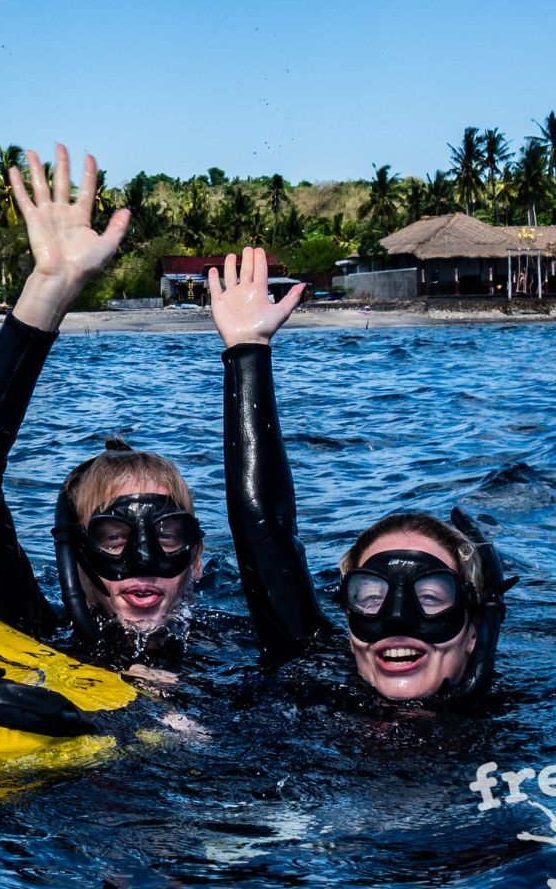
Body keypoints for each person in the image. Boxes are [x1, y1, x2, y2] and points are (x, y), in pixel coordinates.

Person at [0, 143, 208, 669]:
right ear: (76, 553)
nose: (142, 563)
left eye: (168, 535)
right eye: (113, 537)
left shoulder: (236, 652)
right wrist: (49, 289)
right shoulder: (34, 635)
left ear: (196, 558)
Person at [212, 247, 511, 707]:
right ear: (348, 620)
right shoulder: (312, 676)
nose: (397, 618)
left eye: (432, 596)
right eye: (370, 594)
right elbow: (263, 530)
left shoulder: (531, 732)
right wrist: (247, 349)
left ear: (473, 630)